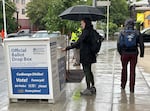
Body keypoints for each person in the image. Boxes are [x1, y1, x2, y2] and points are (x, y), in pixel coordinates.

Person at [62, 18, 96, 95]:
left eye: (82, 23)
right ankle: (93, 86)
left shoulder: (86, 32)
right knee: (89, 70)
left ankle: (88, 88)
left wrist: (67, 48)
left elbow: (78, 42)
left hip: (86, 54)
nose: (81, 25)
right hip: (91, 54)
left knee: (86, 71)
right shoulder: (92, 31)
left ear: (85, 23)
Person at [117, 18, 144, 93]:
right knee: (132, 70)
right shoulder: (137, 33)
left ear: (126, 25)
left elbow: (119, 44)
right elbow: (141, 44)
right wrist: (141, 54)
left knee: (124, 69)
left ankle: (123, 85)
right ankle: (132, 87)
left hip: (124, 53)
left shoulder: (122, 32)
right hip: (134, 53)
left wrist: (121, 53)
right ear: (133, 25)